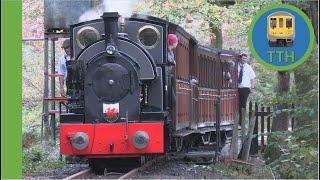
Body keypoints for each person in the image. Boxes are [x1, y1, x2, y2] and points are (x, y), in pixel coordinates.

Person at [238, 53, 256, 142]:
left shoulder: (248, 67)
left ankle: (241, 121)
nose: (244, 60)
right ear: (240, 58)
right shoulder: (236, 66)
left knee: (243, 104)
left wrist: (252, 87)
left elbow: (253, 78)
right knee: (237, 104)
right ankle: (237, 119)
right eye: (243, 58)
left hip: (245, 88)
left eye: (245, 59)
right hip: (237, 87)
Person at [167, 33, 179, 110]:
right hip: (165, 75)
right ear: (174, 43)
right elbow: (168, 60)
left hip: (168, 75)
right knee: (172, 100)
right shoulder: (166, 51)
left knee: (172, 100)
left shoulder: (171, 51)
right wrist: (172, 61)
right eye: (176, 42)